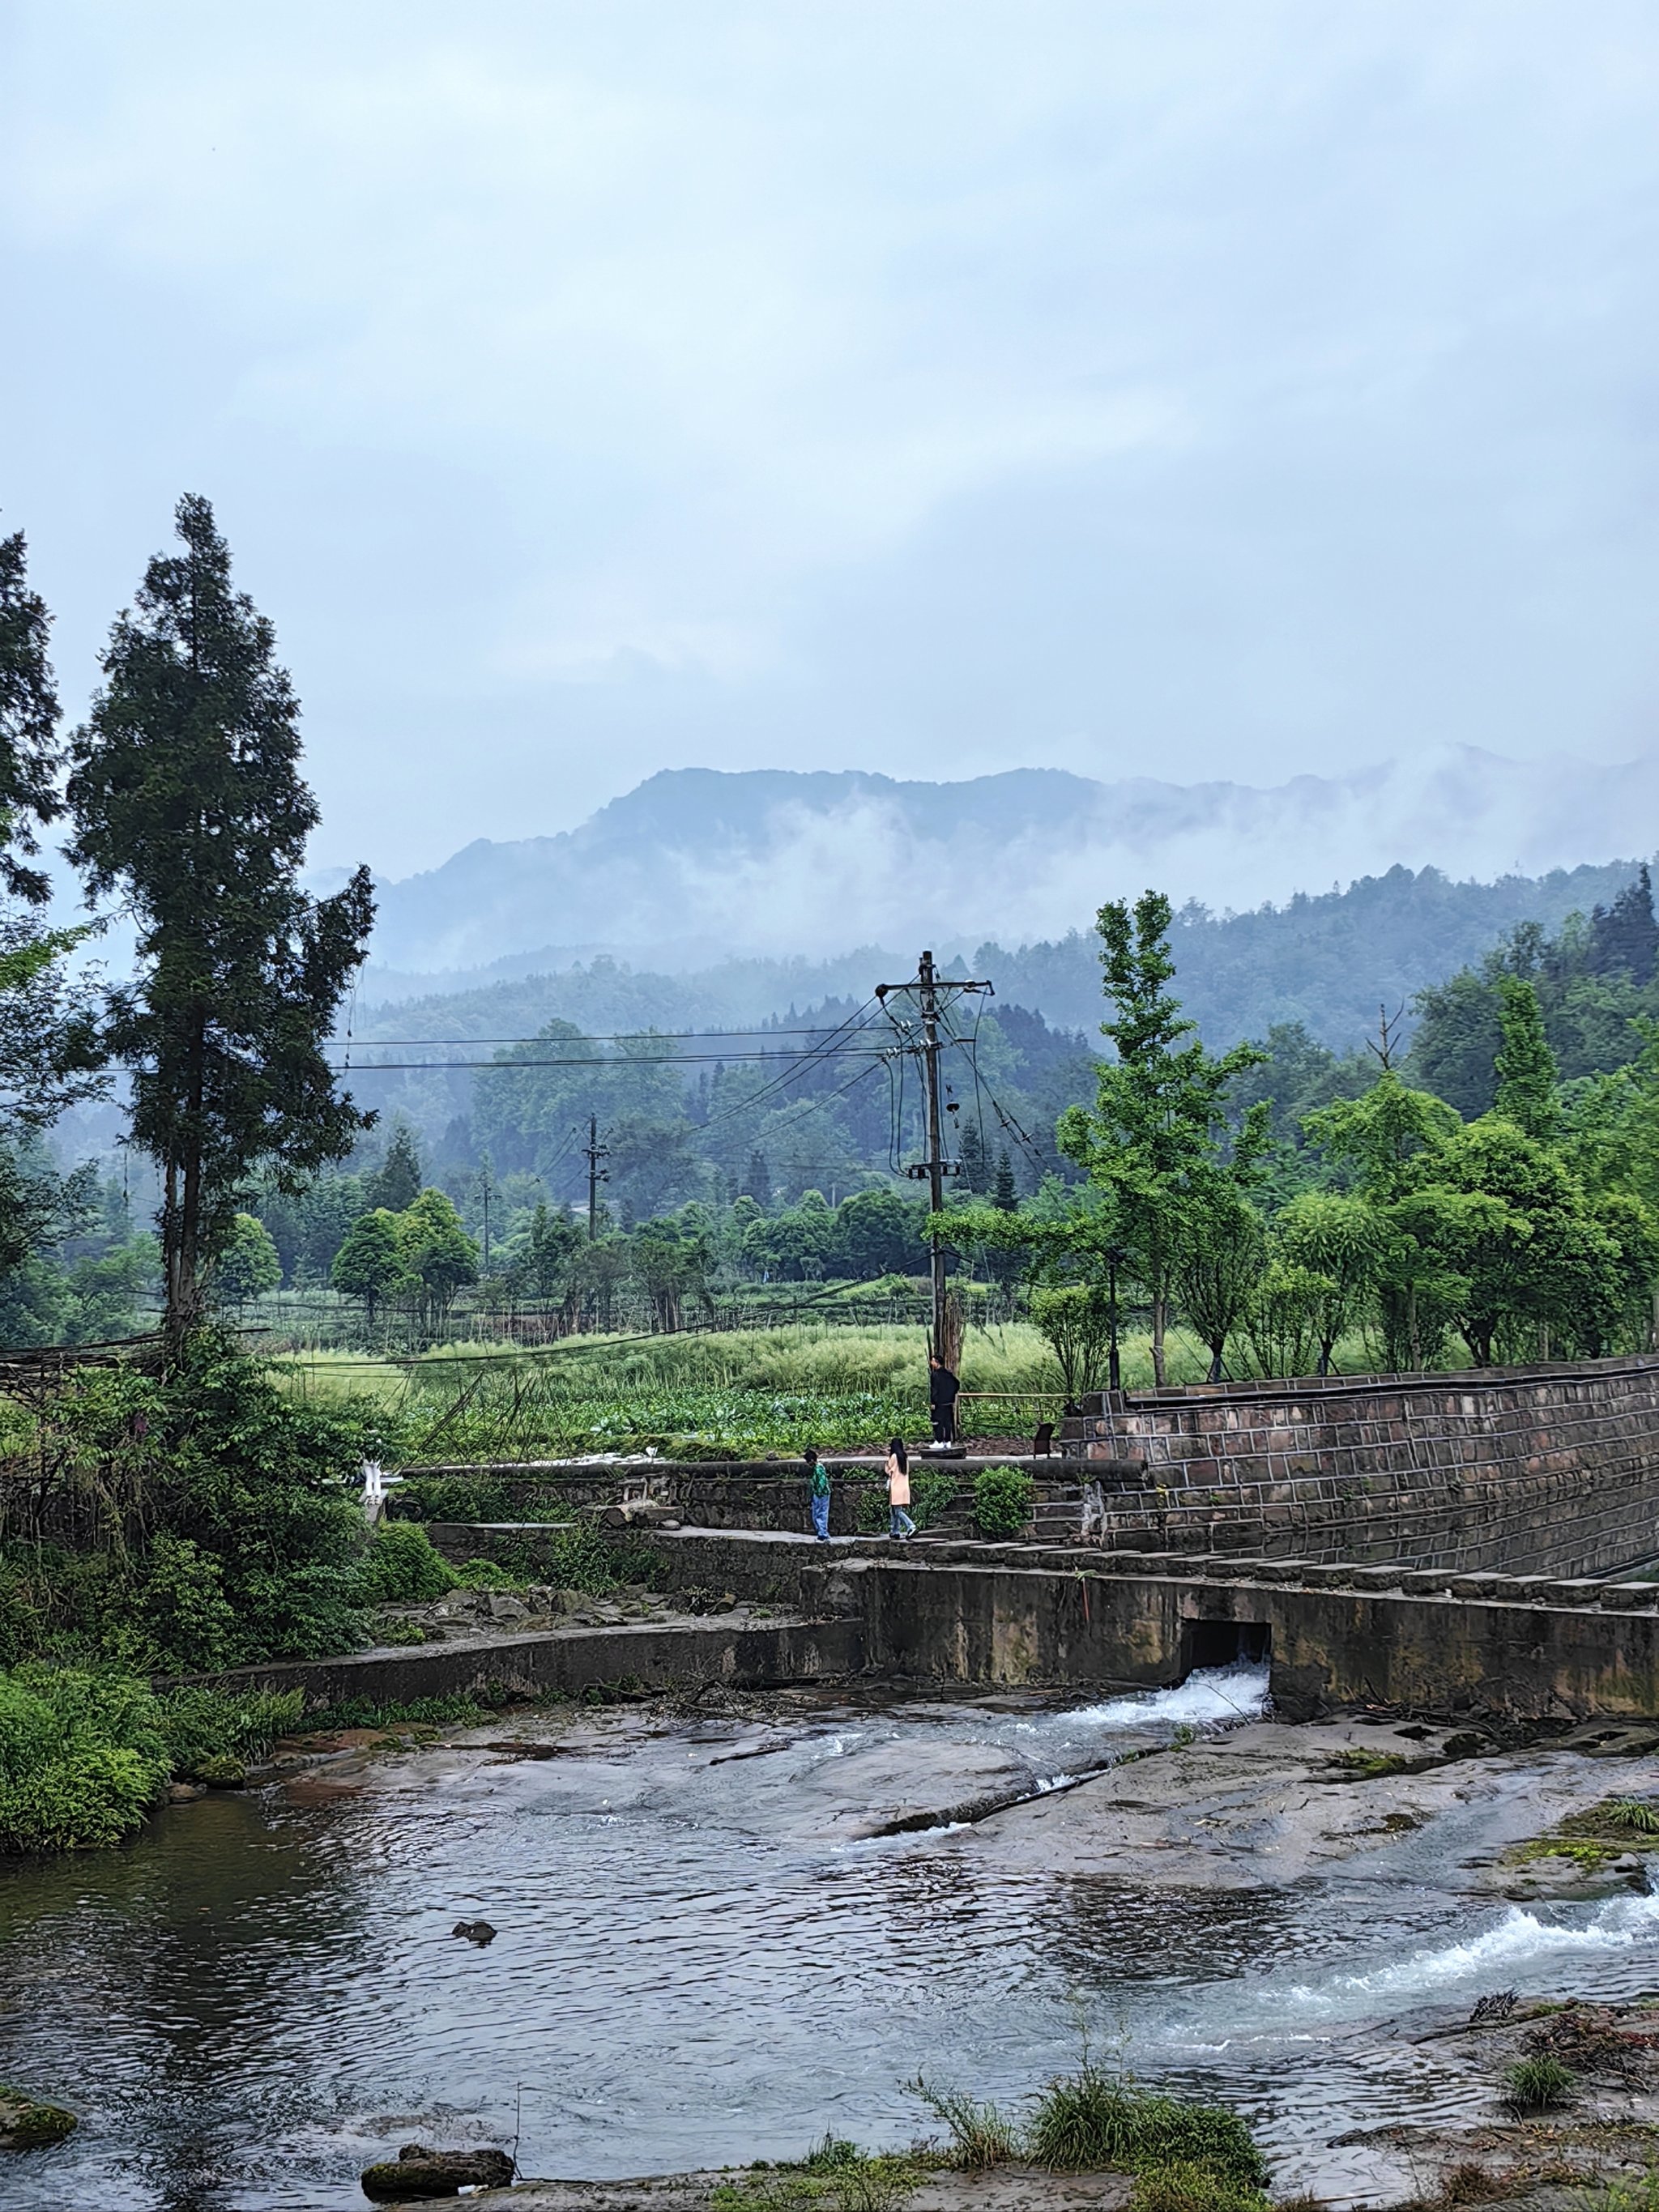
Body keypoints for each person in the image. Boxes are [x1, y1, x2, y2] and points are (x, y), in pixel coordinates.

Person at [885, 1436, 916, 1541]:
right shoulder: (904, 1457)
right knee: (894, 1510)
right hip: (904, 1487)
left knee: (898, 1511)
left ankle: (910, 1526)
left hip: (896, 1487)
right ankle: (895, 1531)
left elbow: (888, 1470)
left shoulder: (894, 1457)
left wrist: (887, 1462)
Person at [928, 1353, 960, 1445]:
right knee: (947, 1422)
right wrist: (950, 1395)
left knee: (938, 1422)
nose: (931, 1363)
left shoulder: (935, 1375)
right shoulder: (949, 1374)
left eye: (933, 1361)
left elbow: (935, 1390)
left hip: (939, 1403)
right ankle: (948, 1441)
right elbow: (957, 1384)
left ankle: (939, 1441)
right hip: (948, 1402)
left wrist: (933, 1402)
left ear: (937, 1363)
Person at [805, 1447, 831, 1541]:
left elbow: (821, 1482)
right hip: (822, 1493)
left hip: (821, 1493)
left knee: (819, 1514)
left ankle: (822, 1534)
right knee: (821, 1513)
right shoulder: (819, 1468)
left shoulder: (818, 1469)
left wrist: (818, 1492)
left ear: (812, 1460)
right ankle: (823, 1532)